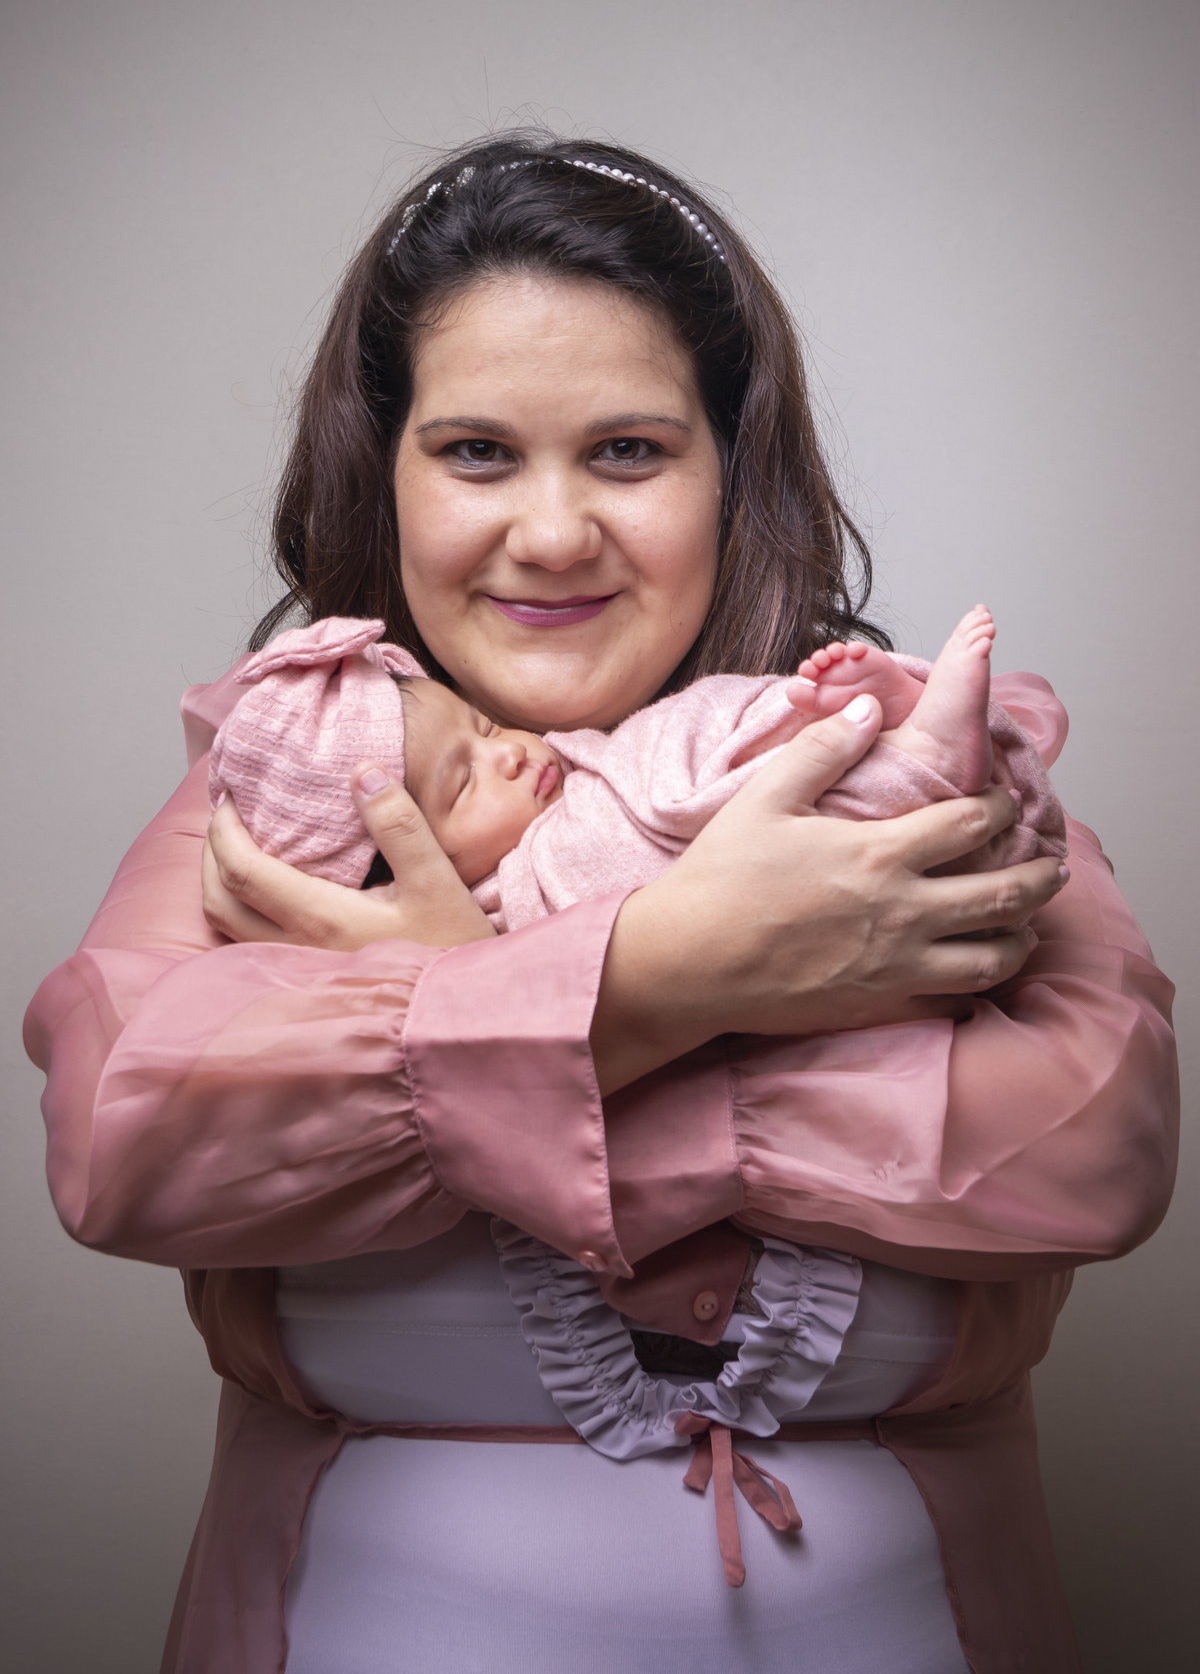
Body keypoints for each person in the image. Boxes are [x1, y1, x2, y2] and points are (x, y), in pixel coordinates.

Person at [23, 136, 1177, 1674]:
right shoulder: (293, 788)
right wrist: (672, 975)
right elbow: (124, 1144)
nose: (554, 532)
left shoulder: (903, 759)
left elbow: (1100, 1147)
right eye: (476, 452)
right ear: (386, 473)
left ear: (731, 473)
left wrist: (464, 1038)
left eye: (629, 451)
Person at [206, 603, 1068, 928]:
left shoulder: (574, 762)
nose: (510, 753)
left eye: (483, 725)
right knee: (680, 825)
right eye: (464, 783)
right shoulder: (491, 902)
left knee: (700, 725)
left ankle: (867, 718)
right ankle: (922, 757)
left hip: (637, 772)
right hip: (671, 863)